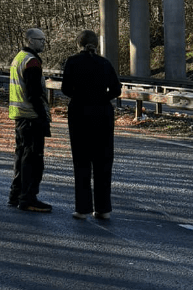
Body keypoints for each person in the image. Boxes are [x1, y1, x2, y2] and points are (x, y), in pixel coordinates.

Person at [61, 30, 122, 220]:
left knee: (81, 161)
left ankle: (83, 208)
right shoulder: (104, 63)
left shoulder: (72, 62)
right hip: (103, 114)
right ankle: (103, 209)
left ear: (78, 44)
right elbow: (116, 89)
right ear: (96, 44)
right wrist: (101, 98)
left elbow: (64, 88)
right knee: (103, 161)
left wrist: (80, 96)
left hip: (79, 113)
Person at [8, 28, 53, 212]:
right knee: (33, 158)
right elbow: (34, 93)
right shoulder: (31, 62)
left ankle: (16, 194)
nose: (44, 43)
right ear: (30, 41)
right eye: (40, 40)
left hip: (20, 116)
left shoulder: (19, 58)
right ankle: (29, 198)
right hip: (31, 116)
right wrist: (42, 116)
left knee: (21, 156)